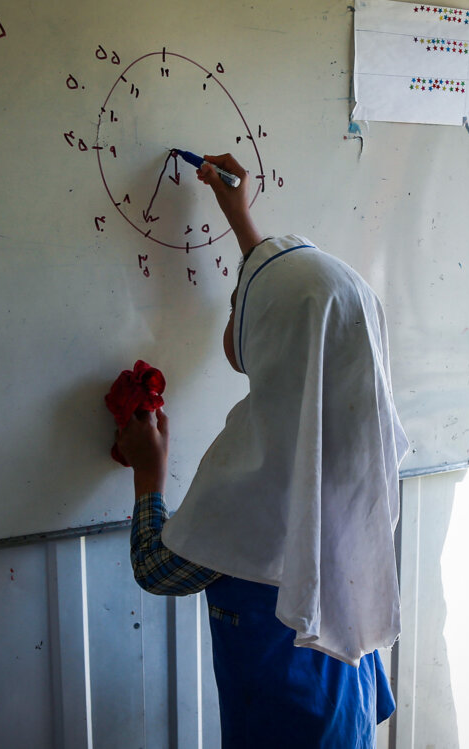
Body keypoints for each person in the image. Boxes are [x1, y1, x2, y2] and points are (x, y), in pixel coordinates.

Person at [114, 153, 408, 748]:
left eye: (240, 306)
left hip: (285, 727)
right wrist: (239, 218)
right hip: (341, 715)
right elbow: (308, 306)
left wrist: (149, 474)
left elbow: (156, 567)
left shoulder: (256, 477)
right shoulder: (360, 444)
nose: (234, 314)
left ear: (271, 340)